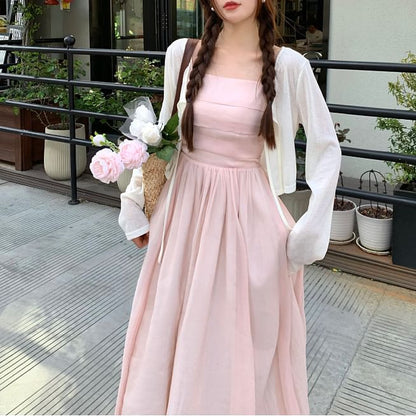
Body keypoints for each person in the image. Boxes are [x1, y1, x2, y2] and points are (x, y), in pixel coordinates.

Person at [115, 0, 341, 414]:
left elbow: (327, 147)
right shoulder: (183, 54)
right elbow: (161, 136)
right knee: (171, 331)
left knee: (239, 344)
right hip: (184, 218)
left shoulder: (289, 66)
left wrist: (310, 229)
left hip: (249, 223)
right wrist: (134, 200)